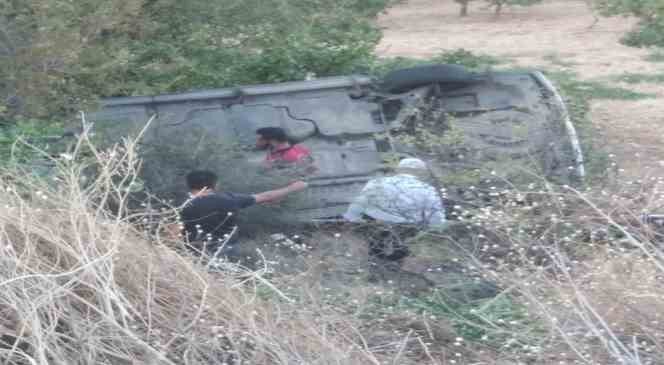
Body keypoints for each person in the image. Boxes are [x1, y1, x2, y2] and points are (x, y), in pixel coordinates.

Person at [176, 170, 307, 260]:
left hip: (192, 254)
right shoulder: (229, 199)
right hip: (227, 251)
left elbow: (171, 232)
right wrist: (293, 187)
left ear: (188, 184)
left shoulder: (179, 205)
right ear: (215, 184)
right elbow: (266, 196)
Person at [343, 158, 446, 264]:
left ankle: (375, 265)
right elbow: (435, 217)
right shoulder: (428, 189)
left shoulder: (377, 182)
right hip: (407, 229)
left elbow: (359, 203)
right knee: (401, 252)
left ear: (398, 170)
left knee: (375, 250)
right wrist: (436, 232)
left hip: (376, 225)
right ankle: (397, 266)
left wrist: (351, 219)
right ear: (422, 173)